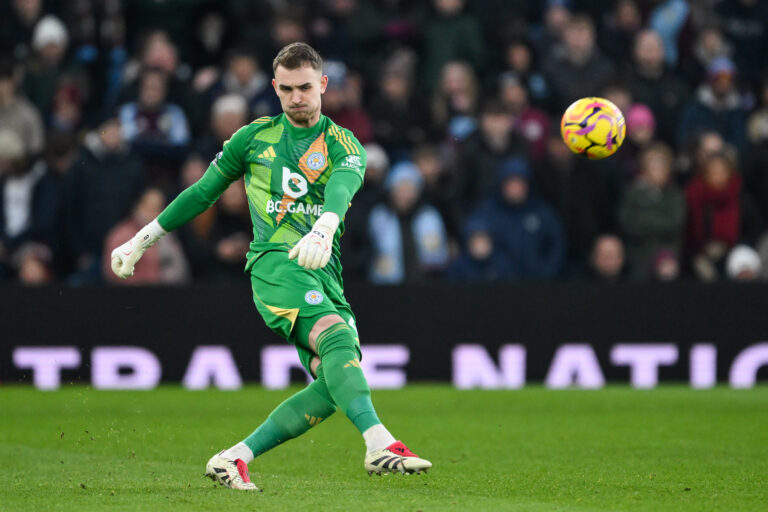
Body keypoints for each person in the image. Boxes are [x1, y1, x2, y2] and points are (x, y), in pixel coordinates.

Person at [108, 42, 431, 490]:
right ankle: (379, 444)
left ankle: (234, 458)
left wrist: (325, 225)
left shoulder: (344, 143)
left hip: (324, 268)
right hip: (275, 264)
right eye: (287, 89)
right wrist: (142, 239)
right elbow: (202, 194)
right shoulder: (252, 138)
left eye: (304, 87)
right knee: (337, 338)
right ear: (274, 88)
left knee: (338, 375)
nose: (296, 97)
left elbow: (342, 186)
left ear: (322, 85)